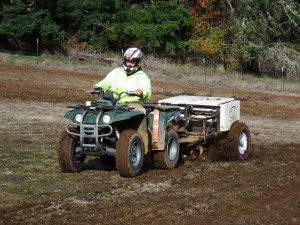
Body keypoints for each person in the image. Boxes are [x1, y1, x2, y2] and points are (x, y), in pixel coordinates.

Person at [94, 47, 151, 114]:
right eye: (128, 61)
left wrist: (141, 92)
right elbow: (106, 82)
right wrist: (99, 87)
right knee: (94, 108)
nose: (129, 64)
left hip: (132, 103)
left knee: (139, 112)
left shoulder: (142, 76)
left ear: (137, 62)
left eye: (132, 62)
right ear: (125, 60)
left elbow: (147, 92)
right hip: (112, 101)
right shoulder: (117, 71)